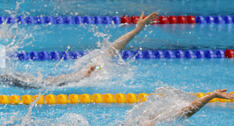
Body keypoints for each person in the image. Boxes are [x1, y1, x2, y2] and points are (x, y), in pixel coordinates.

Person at [0, 12, 158, 88]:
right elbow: (111, 51)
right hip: (39, 84)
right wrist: (137, 30)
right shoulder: (95, 73)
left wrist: (138, 30)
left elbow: (111, 51)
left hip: (41, 83)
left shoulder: (97, 72)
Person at [16, 89, 234, 126]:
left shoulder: (155, 118)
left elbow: (186, 110)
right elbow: (187, 111)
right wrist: (211, 96)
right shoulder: (165, 120)